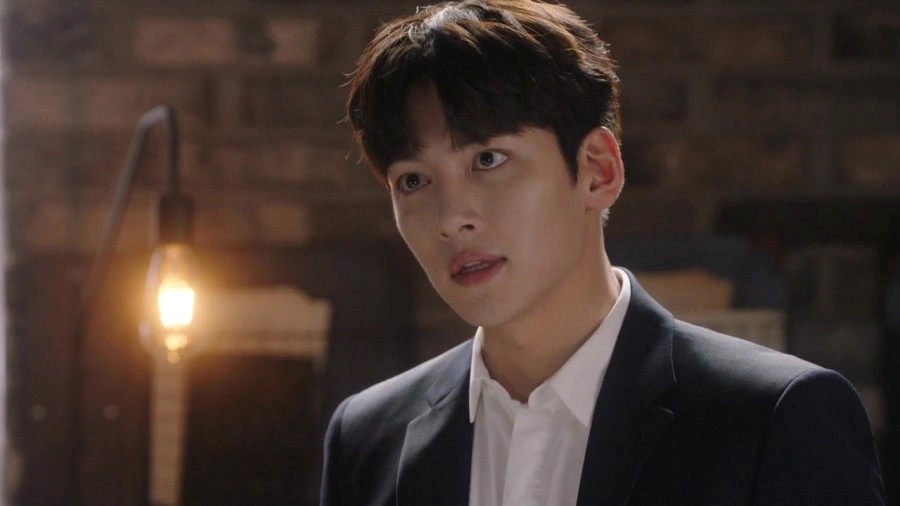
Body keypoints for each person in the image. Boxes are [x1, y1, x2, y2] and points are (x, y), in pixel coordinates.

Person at [321, 1, 886, 504]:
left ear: (598, 170)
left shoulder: (773, 419)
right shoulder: (368, 438)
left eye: (488, 160)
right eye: (414, 181)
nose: (450, 219)